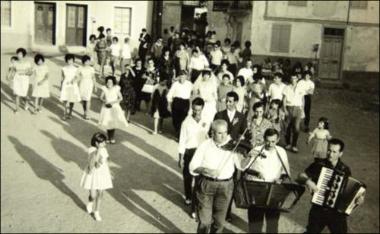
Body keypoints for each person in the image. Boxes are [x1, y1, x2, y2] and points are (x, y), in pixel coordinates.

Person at [189, 119, 255, 233]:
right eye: (220, 133)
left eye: (225, 132)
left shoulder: (232, 146)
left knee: (219, 222)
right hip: (207, 184)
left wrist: (249, 157)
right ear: (212, 133)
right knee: (204, 222)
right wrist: (207, 170)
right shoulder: (205, 145)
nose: (224, 136)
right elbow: (192, 166)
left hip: (226, 186)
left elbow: (241, 166)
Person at [297, 138, 365, 233]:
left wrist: (358, 200)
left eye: (334, 151)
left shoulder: (345, 169)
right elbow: (300, 176)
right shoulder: (319, 164)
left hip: (336, 213)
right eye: (329, 150)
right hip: (319, 209)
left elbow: (350, 192)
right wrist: (308, 181)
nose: (330, 154)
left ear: (340, 153)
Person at [245, 128, 291, 233]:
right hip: (257, 191)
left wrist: (280, 179)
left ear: (278, 140)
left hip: (274, 192)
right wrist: (256, 173)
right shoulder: (256, 149)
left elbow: (285, 172)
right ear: (264, 139)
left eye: (273, 141)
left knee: (272, 225)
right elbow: (245, 168)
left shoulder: (282, 152)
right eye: (268, 141)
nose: (270, 144)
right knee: (255, 226)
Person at [178, 97, 210, 218]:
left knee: (199, 179)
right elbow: (182, 141)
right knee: (187, 175)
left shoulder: (206, 121)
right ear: (192, 108)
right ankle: (188, 195)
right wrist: (180, 157)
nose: (196, 112)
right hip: (189, 151)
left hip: (201, 152)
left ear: (202, 109)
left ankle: (196, 204)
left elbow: (208, 137)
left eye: (199, 110)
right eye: (195, 109)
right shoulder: (186, 123)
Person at [80, 132, 113, 221]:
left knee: (101, 193)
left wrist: (105, 161)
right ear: (96, 143)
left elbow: (106, 159)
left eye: (105, 142)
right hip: (93, 174)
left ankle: (96, 211)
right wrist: (98, 151)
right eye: (102, 142)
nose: (105, 144)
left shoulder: (104, 149)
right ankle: (90, 202)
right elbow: (94, 165)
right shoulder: (91, 150)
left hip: (102, 173)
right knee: (93, 195)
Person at [98, 76, 129, 143]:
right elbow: (101, 97)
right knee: (107, 122)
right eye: (108, 82)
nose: (109, 83)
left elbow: (120, 98)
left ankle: (111, 138)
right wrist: (104, 101)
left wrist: (113, 102)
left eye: (110, 82)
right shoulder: (104, 88)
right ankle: (109, 137)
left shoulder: (116, 88)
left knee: (112, 122)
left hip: (114, 107)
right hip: (106, 107)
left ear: (113, 82)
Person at [282, 74, 306, 153]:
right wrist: (285, 109)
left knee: (296, 127)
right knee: (287, 127)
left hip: (298, 108)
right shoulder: (287, 87)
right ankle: (288, 143)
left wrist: (302, 110)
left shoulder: (300, 88)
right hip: (289, 108)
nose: (293, 80)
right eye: (292, 78)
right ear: (290, 79)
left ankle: (294, 145)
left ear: (297, 79)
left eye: (295, 78)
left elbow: (302, 100)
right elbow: (284, 100)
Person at [167, 70, 193, 139]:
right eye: (181, 77)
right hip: (176, 102)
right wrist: (169, 105)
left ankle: (180, 135)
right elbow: (170, 95)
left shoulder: (189, 84)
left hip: (185, 103)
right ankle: (177, 131)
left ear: (186, 77)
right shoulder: (175, 84)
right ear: (179, 77)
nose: (182, 79)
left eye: (184, 77)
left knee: (183, 119)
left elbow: (191, 95)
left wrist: (191, 106)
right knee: (175, 119)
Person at [11, 48, 33, 113]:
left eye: (20, 54)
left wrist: (24, 73)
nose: (18, 55)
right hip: (17, 79)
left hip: (24, 80)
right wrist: (11, 76)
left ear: (23, 55)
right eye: (18, 54)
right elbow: (13, 70)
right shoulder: (15, 63)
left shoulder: (27, 63)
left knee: (24, 94)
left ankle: (27, 102)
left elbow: (30, 73)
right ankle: (17, 109)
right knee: (17, 94)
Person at [60, 54, 81, 120]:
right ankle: (64, 114)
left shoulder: (76, 69)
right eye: (68, 60)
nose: (70, 61)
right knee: (65, 100)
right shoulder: (63, 68)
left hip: (72, 85)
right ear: (66, 60)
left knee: (72, 100)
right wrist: (61, 86)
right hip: (65, 85)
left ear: (73, 60)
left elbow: (78, 77)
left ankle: (70, 113)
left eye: (71, 60)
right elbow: (62, 78)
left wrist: (73, 81)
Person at [77, 55, 96, 120]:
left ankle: (87, 113)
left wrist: (95, 86)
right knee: (83, 100)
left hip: (89, 84)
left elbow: (93, 78)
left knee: (88, 99)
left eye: (88, 61)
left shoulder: (91, 69)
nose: (88, 63)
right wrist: (75, 85)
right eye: (86, 61)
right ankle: (85, 111)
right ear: (83, 62)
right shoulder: (80, 68)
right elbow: (78, 77)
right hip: (82, 84)